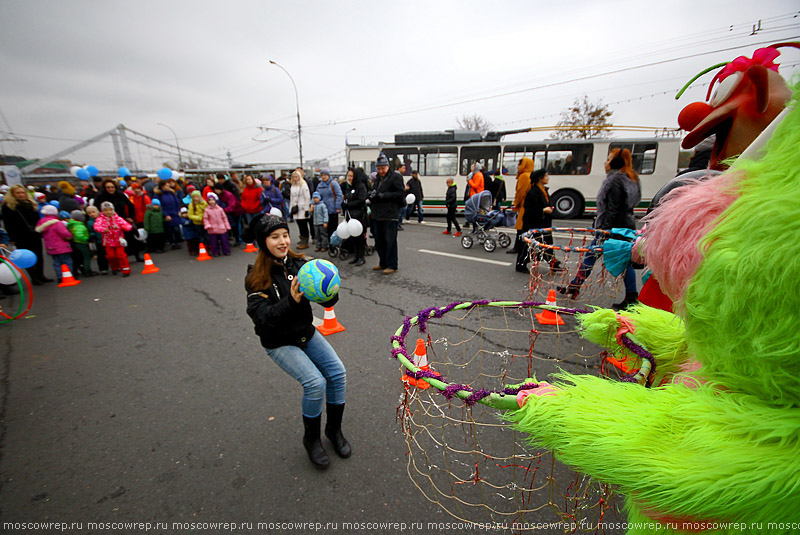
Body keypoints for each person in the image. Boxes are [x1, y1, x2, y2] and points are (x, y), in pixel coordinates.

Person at [243, 214, 350, 469]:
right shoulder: (256, 278)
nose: (282, 241)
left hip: (305, 332)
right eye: (274, 237)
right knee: (314, 383)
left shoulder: (299, 264)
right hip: (279, 341)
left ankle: (333, 431)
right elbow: (263, 319)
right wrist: (290, 302)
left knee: (337, 374)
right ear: (263, 241)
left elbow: (323, 299)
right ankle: (311, 439)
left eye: (284, 235)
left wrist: (329, 291)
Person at [559, 148, 641, 309]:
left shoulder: (614, 180)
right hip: (624, 226)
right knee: (597, 256)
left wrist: (604, 231)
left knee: (621, 261)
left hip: (612, 229)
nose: (605, 163)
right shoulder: (632, 178)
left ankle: (631, 296)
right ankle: (575, 287)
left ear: (616, 162)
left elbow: (612, 208)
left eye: (608, 159)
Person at [1, 184, 52, 284]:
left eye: (22, 192)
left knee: (38, 254)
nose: (21, 195)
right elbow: (8, 223)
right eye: (18, 193)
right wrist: (12, 238)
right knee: (26, 256)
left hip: (34, 233)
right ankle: (34, 277)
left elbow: (37, 218)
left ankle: (40, 274)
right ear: (13, 194)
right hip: (20, 235)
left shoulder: (30, 203)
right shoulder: (8, 206)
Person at [516, 170, 563, 274]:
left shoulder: (544, 190)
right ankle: (521, 264)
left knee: (546, 243)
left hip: (543, 222)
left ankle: (552, 263)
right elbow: (529, 210)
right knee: (529, 245)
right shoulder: (532, 192)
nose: (548, 178)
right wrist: (543, 210)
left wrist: (550, 208)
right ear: (540, 178)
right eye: (546, 176)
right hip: (532, 223)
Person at [369, 153, 405, 274]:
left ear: (388, 167)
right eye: (378, 169)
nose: (381, 171)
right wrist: (373, 195)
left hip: (390, 214)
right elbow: (376, 192)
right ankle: (382, 262)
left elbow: (400, 194)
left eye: (382, 168)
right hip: (377, 214)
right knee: (379, 241)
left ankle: (392, 265)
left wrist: (383, 196)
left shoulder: (396, 177)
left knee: (390, 241)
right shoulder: (378, 178)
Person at [35, 204, 75, 282]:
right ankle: (68, 275)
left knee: (56, 262)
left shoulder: (41, 223)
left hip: (50, 247)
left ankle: (59, 276)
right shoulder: (57, 223)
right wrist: (70, 236)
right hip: (62, 246)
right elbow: (64, 233)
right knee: (67, 261)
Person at [93, 201, 133, 276]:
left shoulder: (117, 218)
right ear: (103, 211)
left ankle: (126, 270)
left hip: (119, 240)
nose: (108, 212)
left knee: (121, 255)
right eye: (106, 210)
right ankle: (115, 268)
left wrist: (122, 227)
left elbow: (128, 226)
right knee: (111, 256)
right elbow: (96, 227)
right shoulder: (100, 219)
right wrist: (104, 229)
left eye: (110, 210)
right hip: (108, 242)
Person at [507, 157, 534, 255]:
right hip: (528, 206)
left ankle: (518, 247)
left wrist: (515, 204)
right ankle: (521, 247)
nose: (518, 167)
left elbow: (520, 193)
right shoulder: (531, 175)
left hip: (523, 206)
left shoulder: (524, 176)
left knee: (520, 228)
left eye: (519, 164)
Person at [342, 168, 368, 266]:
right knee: (353, 237)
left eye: (351, 176)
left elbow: (361, 200)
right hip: (350, 215)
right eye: (348, 176)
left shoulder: (361, 186)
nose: (350, 178)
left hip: (359, 216)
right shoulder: (349, 187)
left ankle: (361, 257)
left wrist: (349, 204)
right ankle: (356, 256)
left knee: (360, 237)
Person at [315, 170, 342, 243]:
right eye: (322, 175)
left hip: (332, 209)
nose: (323, 177)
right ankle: (325, 243)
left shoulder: (333, 183)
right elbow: (317, 196)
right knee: (324, 228)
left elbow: (339, 195)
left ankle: (333, 243)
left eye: (325, 175)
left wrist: (338, 207)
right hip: (323, 210)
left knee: (333, 228)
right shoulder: (319, 185)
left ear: (328, 175)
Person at [288, 170, 311, 250]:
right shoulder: (293, 186)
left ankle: (305, 240)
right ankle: (302, 239)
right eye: (293, 177)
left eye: (296, 177)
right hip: (295, 209)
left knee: (303, 225)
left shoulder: (303, 185)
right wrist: (290, 209)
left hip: (302, 208)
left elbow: (307, 197)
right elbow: (291, 198)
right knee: (299, 225)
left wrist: (306, 209)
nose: (295, 178)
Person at [203, 192, 231, 257]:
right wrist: (207, 225)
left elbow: (224, 218)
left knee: (224, 241)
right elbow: (205, 219)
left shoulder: (220, 209)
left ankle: (226, 251)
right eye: (209, 200)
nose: (211, 202)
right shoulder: (207, 210)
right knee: (214, 242)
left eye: (212, 200)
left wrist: (227, 225)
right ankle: (215, 252)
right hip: (212, 228)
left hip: (221, 227)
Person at [67, 209, 93, 277]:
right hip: (81, 243)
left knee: (78, 257)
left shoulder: (71, 224)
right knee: (86, 256)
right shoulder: (79, 226)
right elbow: (79, 235)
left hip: (75, 243)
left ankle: (81, 270)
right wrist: (87, 239)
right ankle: (87, 270)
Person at [85, 205, 109, 274]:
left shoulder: (103, 219)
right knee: (101, 255)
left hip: (107, 239)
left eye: (93, 212)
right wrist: (92, 236)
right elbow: (91, 231)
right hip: (99, 240)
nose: (92, 214)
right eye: (90, 213)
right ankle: (103, 268)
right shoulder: (89, 222)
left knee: (110, 253)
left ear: (97, 211)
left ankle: (115, 266)